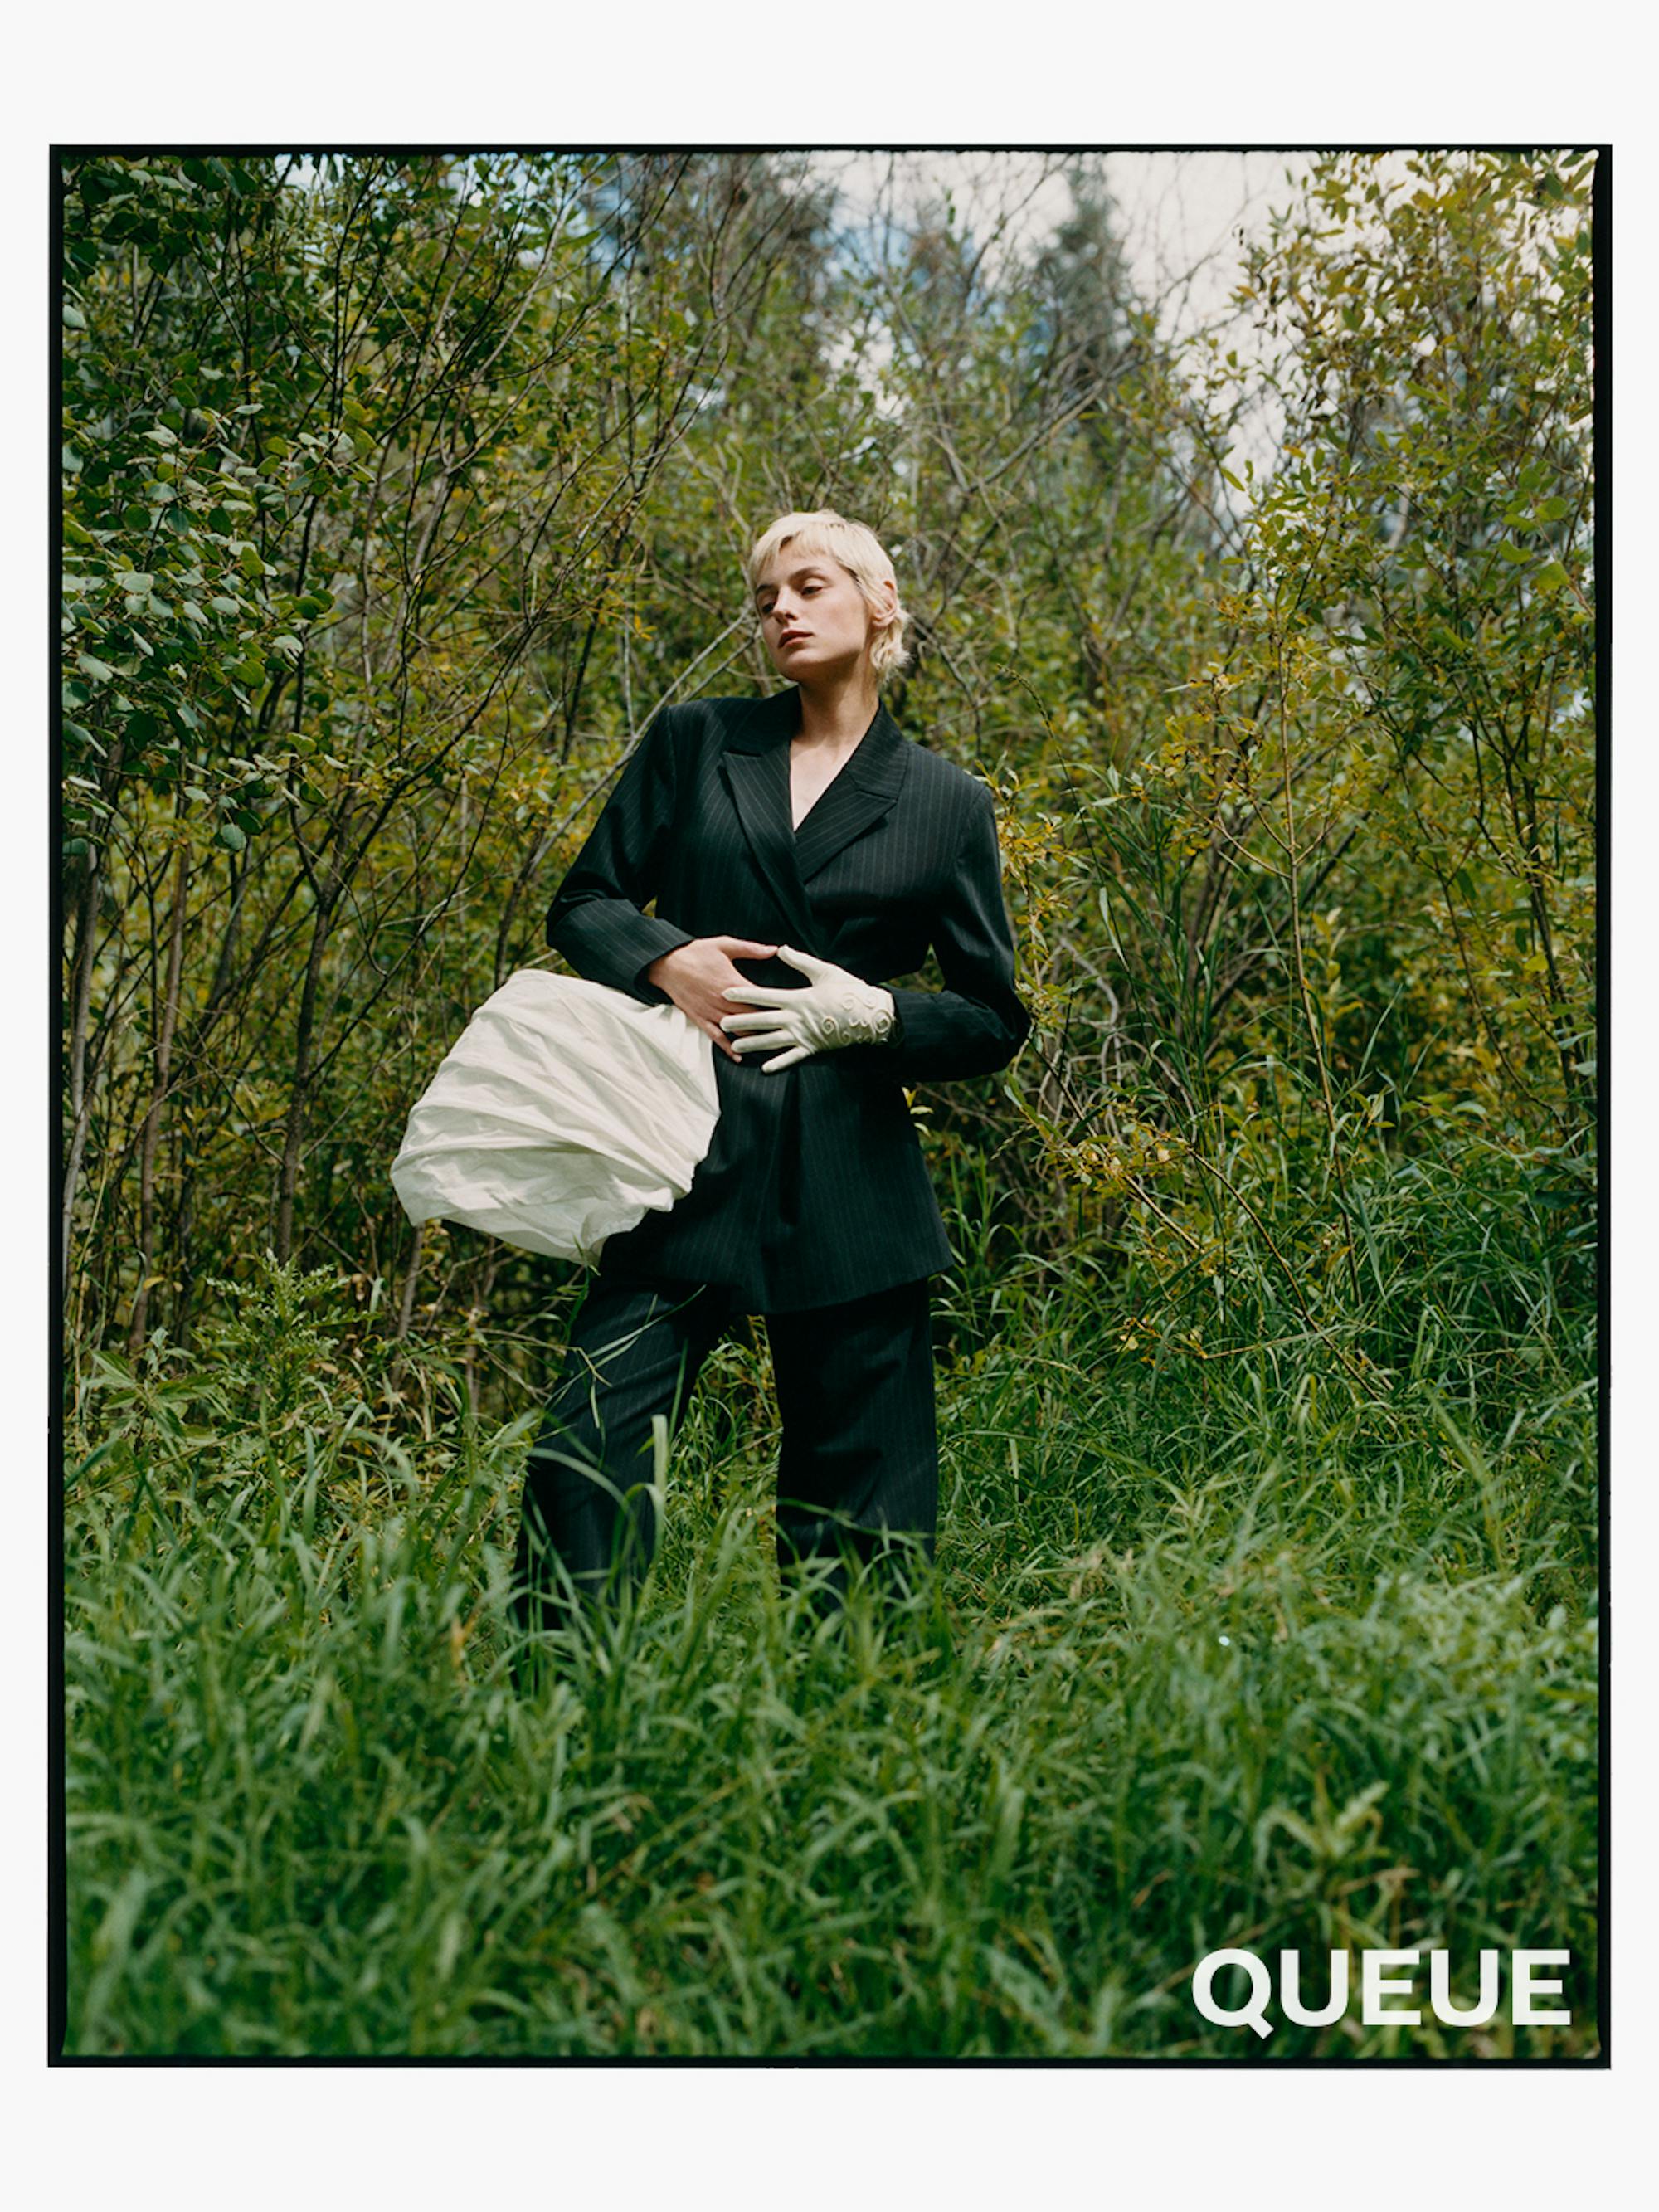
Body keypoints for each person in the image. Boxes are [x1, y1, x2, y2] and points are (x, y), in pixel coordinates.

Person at [511, 509, 1029, 1652]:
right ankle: (548, 1710)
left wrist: (879, 1014)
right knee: (589, 1445)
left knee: (864, 1518)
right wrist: (667, 957)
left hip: (853, 1175)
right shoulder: (698, 741)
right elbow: (584, 901)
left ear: (878, 602)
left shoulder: (946, 802)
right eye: (764, 599)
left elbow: (996, 1018)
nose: (781, 611)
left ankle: (849, 1733)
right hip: (682, 1144)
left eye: (807, 586)